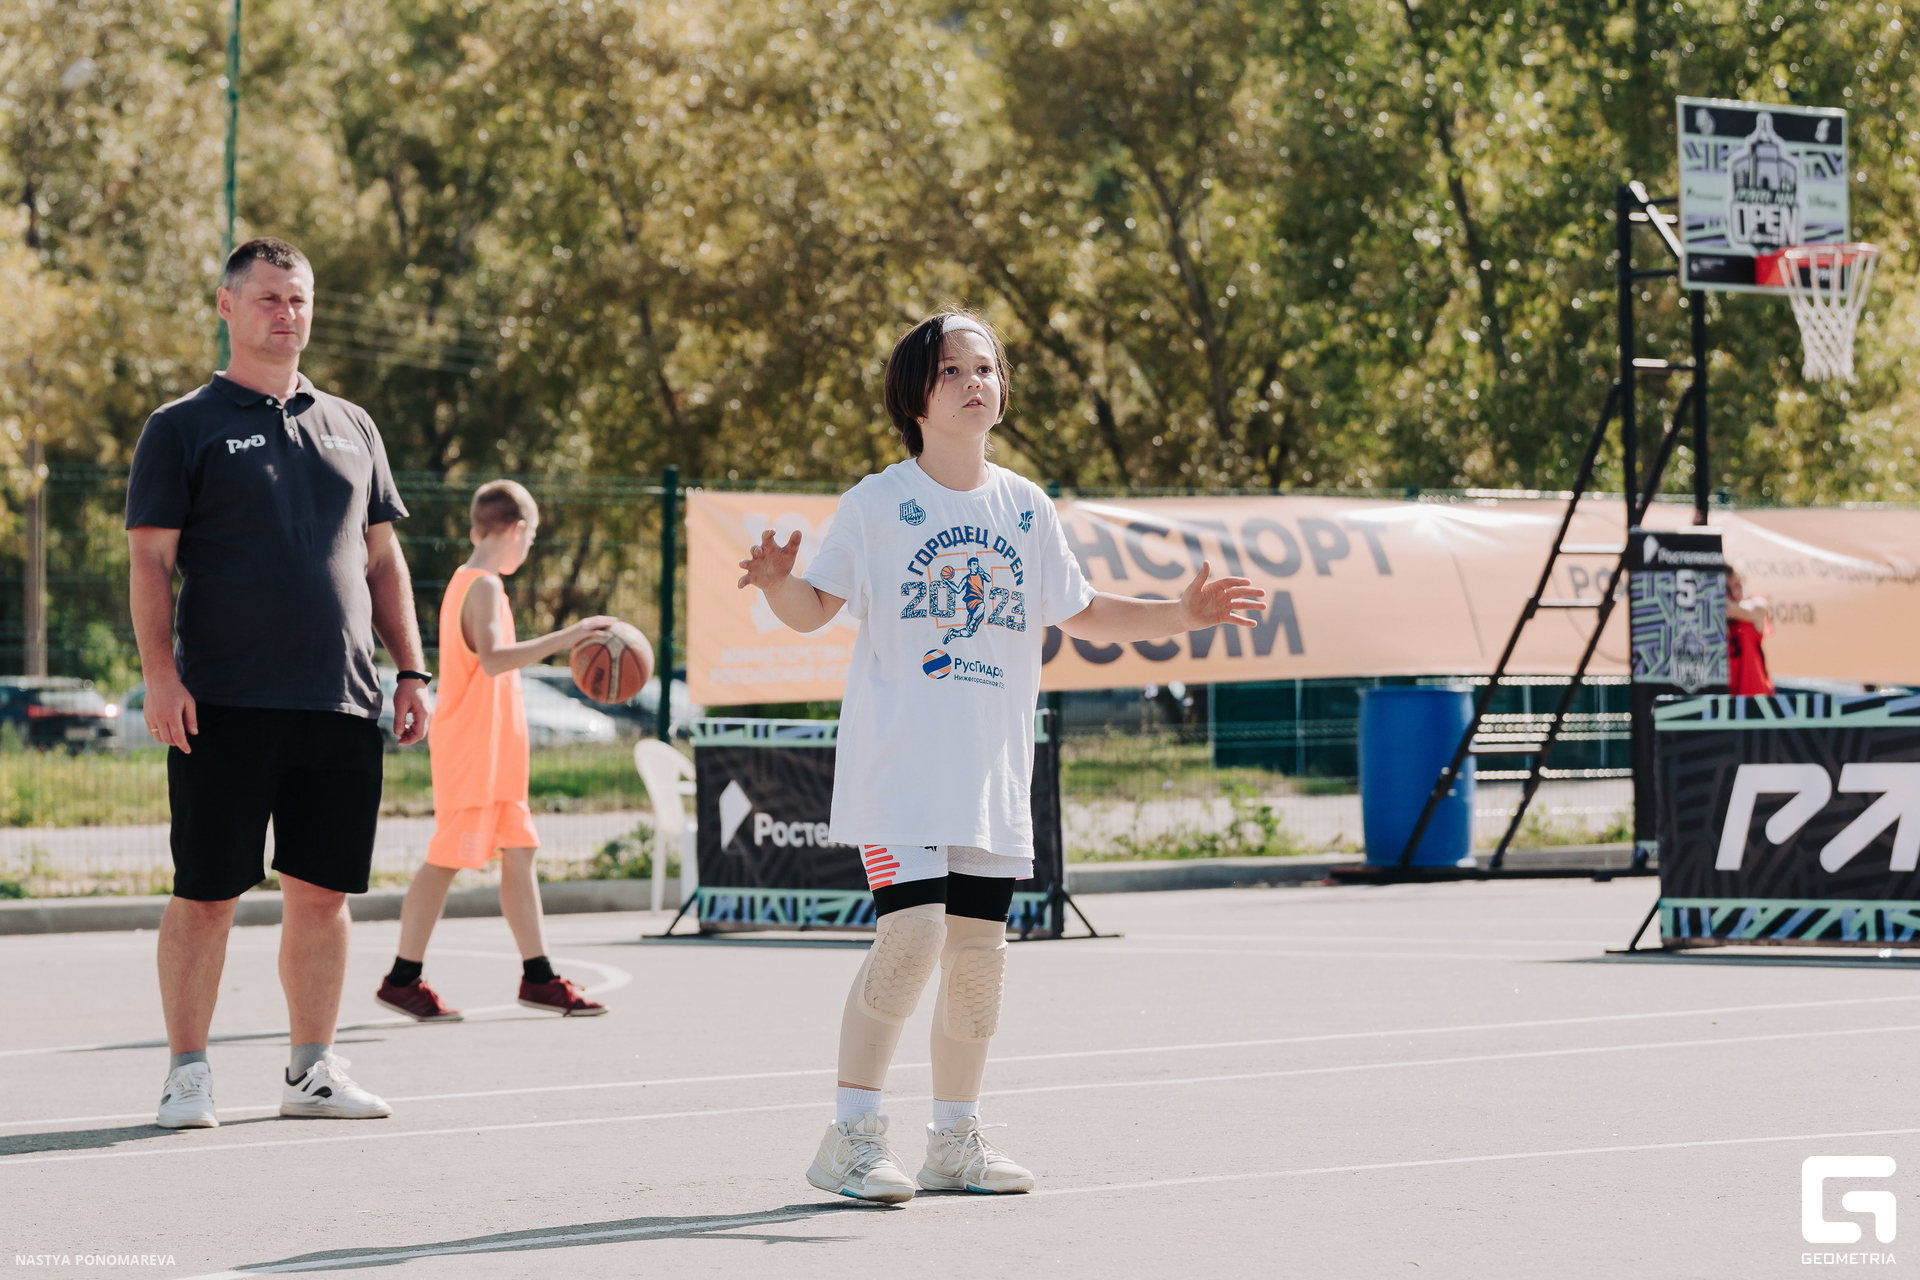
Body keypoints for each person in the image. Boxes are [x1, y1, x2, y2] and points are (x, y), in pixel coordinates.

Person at [736, 311, 1266, 1204]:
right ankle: (850, 1137)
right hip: (899, 774)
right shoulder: (876, 503)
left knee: (978, 960)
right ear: (914, 396)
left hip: (988, 775)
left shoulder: (1025, 506)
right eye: (951, 370)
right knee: (912, 938)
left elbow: (1084, 611)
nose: (974, 382)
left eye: (985, 368)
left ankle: (954, 1142)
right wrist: (781, 583)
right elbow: (812, 611)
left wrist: (1182, 614)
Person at [129, 237, 433, 1129]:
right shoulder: (180, 426)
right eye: (268, 298)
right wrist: (159, 676)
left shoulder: (352, 424)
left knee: (323, 894)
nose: (286, 313)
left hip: (341, 700)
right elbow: (150, 563)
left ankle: (312, 1072)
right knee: (207, 895)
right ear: (228, 306)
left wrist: (411, 670)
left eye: (298, 299)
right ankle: (188, 1075)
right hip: (223, 703)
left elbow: (383, 561)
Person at [374, 480, 625, 1021]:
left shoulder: (471, 582)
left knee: (520, 851)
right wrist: (572, 635)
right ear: (517, 530)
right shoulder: (483, 586)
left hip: (495, 752)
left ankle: (539, 977)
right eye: (530, 537)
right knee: (445, 859)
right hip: (473, 751)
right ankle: (402, 978)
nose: (529, 546)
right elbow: (492, 659)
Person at [1726, 566, 1774, 696]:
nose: (1733, 593)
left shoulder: (1757, 606)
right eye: (1727, 589)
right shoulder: (1711, 616)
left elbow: (1730, 608)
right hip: (1726, 695)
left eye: (1737, 586)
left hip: (1755, 695)